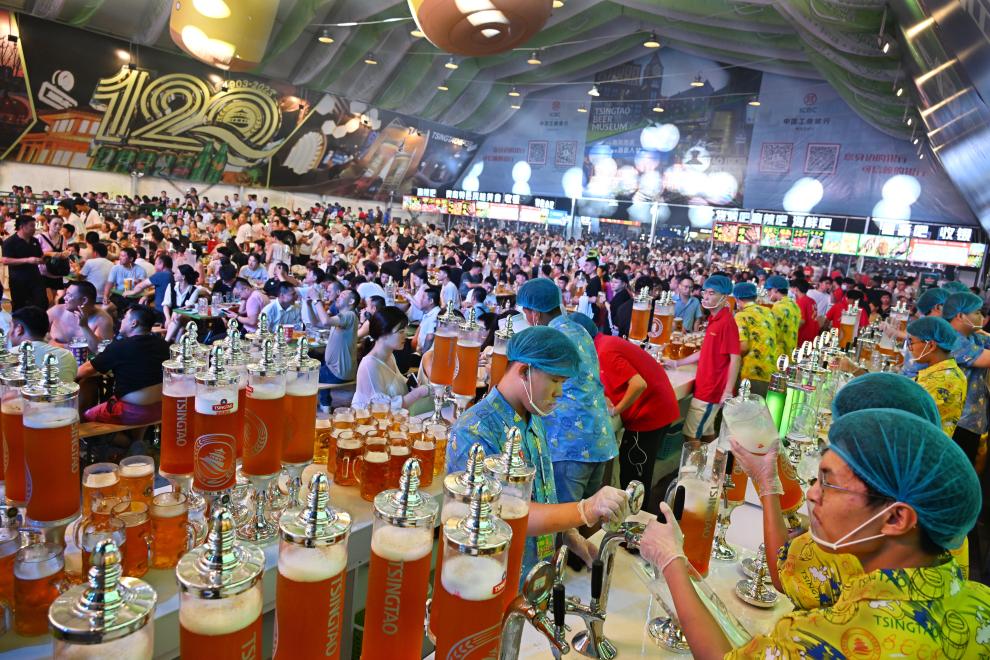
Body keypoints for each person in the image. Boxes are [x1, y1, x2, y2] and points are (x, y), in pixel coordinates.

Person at [641, 408, 987, 658]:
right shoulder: (979, 604)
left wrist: (671, 560)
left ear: (896, 518)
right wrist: (767, 481)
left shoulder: (829, 638)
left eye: (829, 483)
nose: (812, 495)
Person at [447, 326, 632, 581]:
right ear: (524, 371)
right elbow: (500, 512)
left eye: (562, 383)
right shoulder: (475, 431)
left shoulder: (534, 419)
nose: (559, 392)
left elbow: (542, 494)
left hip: (537, 572)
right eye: (555, 380)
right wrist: (586, 509)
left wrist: (569, 535)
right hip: (494, 577)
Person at [516, 278, 617, 511]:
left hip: (569, 443)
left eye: (525, 313)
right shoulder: (579, 329)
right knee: (592, 515)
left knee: (564, 519)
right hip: (598, 437)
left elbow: (530, 388)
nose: (526, 318)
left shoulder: (548, 339)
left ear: (535, 314)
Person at [571, 313, 678, 514]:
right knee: (635, 471)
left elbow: (638, 384)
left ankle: (636, 523)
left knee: (634, 477)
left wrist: (616, 409)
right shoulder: (604, 343)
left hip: (649, 414)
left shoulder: (603, 351)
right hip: (657, 409)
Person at [665, 275, 740, 442]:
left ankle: (693, 460)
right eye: (705, 292)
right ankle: (712, 459)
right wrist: (677, 363)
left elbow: (735, 358)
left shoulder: (726, 322)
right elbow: (705, 351)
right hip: (705, 385)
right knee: (706, 433)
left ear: (724, 297)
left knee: (691, 435)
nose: (705, 296)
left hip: (711, 390)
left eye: (712, 293)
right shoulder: (714, 319)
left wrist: (728, 391)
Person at [78, 306, 170, 425]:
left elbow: (87, 369)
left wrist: (66, 375)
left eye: (125, 317)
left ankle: (118, 438)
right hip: (160, 408)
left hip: (131, 411)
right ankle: (135, 436)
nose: (121, 320)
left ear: (134, 323)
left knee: (87, 416)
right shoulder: (164, 345)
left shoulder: (121, 346)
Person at [351, 307, 430, 410]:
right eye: (401, 331)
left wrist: (413, 386)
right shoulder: (369, 365)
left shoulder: (389, 356)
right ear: (384, 333)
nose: (405, 335)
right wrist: (419, 392)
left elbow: (398, 384)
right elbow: (381, 408)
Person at [944, 291, 990, 463]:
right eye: (977, 313)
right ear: (960, 315)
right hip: (958, 420)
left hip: (971, 418)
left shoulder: (973, 337)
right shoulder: (953, 340)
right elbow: (986, 359)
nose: (982, 318)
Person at [907, 316, 966, 437]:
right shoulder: (947, 371)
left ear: (931, 345)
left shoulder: (942, 381)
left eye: (911, 342)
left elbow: (907, 413)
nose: (910, 348)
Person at [732, 281, 779, 396]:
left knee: (746, 406)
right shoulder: (768, 311)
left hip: (751, 374)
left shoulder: (741, 315)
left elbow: (743, 347)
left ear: (737, 299)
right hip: (771, 371)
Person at [8, 306, 76, 382]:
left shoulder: (8, 357)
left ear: (19, 329)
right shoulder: (67, 356)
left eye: (10, 327)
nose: (8, 332)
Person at [318, 289, 359, 406]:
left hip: (338, 372)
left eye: (343, 295)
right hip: (336, 370)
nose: (338, 297)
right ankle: (325, 404)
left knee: (303, 374)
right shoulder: (341, 318)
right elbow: (316, 323)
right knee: (320, 367)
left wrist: (317, 300)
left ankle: (321, 404)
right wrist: (308, 304)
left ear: (351, 301)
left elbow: (325, 321)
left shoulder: (350, 315)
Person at [47, 280, 114, 353]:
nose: (64, 298)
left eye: (69, 295)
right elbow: (37, 334)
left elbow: (101, 351)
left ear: (84, 300)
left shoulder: (103, 319)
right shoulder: (56, 310)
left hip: (82, 360)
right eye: (66, 294)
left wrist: (84, 326)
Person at [1, 215, 46, 311]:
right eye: (32, 226)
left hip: (35, 277)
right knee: (20, 306)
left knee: (41, 303)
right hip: (18, 279)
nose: (34, 228)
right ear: (22, 226)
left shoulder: (34, 240)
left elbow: (40, 256)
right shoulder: (10, 242)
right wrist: (27, 260)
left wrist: (45, 259)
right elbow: (5, 260)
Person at [766, 275, 799, 358]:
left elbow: (773, 332)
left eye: (769, 290)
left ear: (775, 289)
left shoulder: (779, 307)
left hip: (779, 354)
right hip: (791, 350)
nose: (768, 293)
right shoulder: (793, 304)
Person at [791, 278, 819, 345]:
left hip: (804, 336)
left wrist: (791, 331)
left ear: (796, 289)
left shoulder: (801, 302)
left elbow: (802, 321)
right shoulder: (812, 300)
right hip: (813, 334)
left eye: (792, 287)